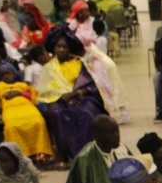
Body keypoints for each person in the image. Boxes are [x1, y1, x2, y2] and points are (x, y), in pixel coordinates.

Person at [36, 26, 108, 162]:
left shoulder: (79, 64)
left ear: (70, 49)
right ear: (54, 48)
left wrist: (76, 93)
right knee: (56, 113)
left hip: (82, 97)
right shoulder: (49, 67)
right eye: (58, 46)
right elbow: (45, 89)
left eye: (65, 47)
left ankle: (89, 154)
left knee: (87, 113)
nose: (61, 50)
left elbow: (91, 85)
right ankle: (63, 154)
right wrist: (61, 97)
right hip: (56, 100)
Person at [59, 114, 127, 183]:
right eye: (111, 133)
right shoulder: (84, 160)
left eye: (117, 131)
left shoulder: (122, 150)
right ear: (97, 135)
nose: (117, 136)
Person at [0, 63, 53, 161]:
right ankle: (17, 155)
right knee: (12, 126)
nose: (6, 76)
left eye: (8, 73)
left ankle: (40, 153)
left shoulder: (23, 85)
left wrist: (19, 93)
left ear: (14, 74)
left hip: (27, 107)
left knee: (39, 122)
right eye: (2, 75)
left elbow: (34, 97)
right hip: (10, 109)